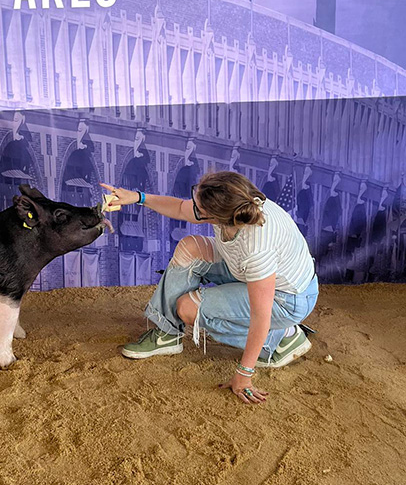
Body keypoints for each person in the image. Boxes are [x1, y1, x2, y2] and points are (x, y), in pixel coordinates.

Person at [101, 171, 318, 405]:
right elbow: (179, 209)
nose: (193, 207)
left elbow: (260, 315)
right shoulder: (235, 204)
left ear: (216, 217)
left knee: (188, 308)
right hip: (243, 269)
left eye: (200, 209)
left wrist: (244, 375)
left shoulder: (257, 247)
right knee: (190, 247)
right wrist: (138, 197)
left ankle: (283, 337)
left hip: (286, 299)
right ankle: (167, 334)